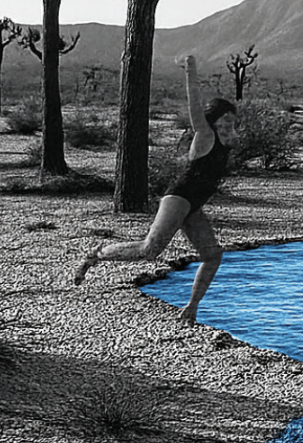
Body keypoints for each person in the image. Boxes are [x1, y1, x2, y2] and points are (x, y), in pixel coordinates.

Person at [72, 55, 236, 324]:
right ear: (214, 120)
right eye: (225, 118)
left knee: (212, 255)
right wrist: (190, 70)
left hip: (193, 205)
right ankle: (96, 255)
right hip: (179, 198)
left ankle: (191, 308)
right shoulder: (205, 135)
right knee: (150, 250)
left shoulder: (225, 141)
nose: (229, 122)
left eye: (232, 118)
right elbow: (194, 104)